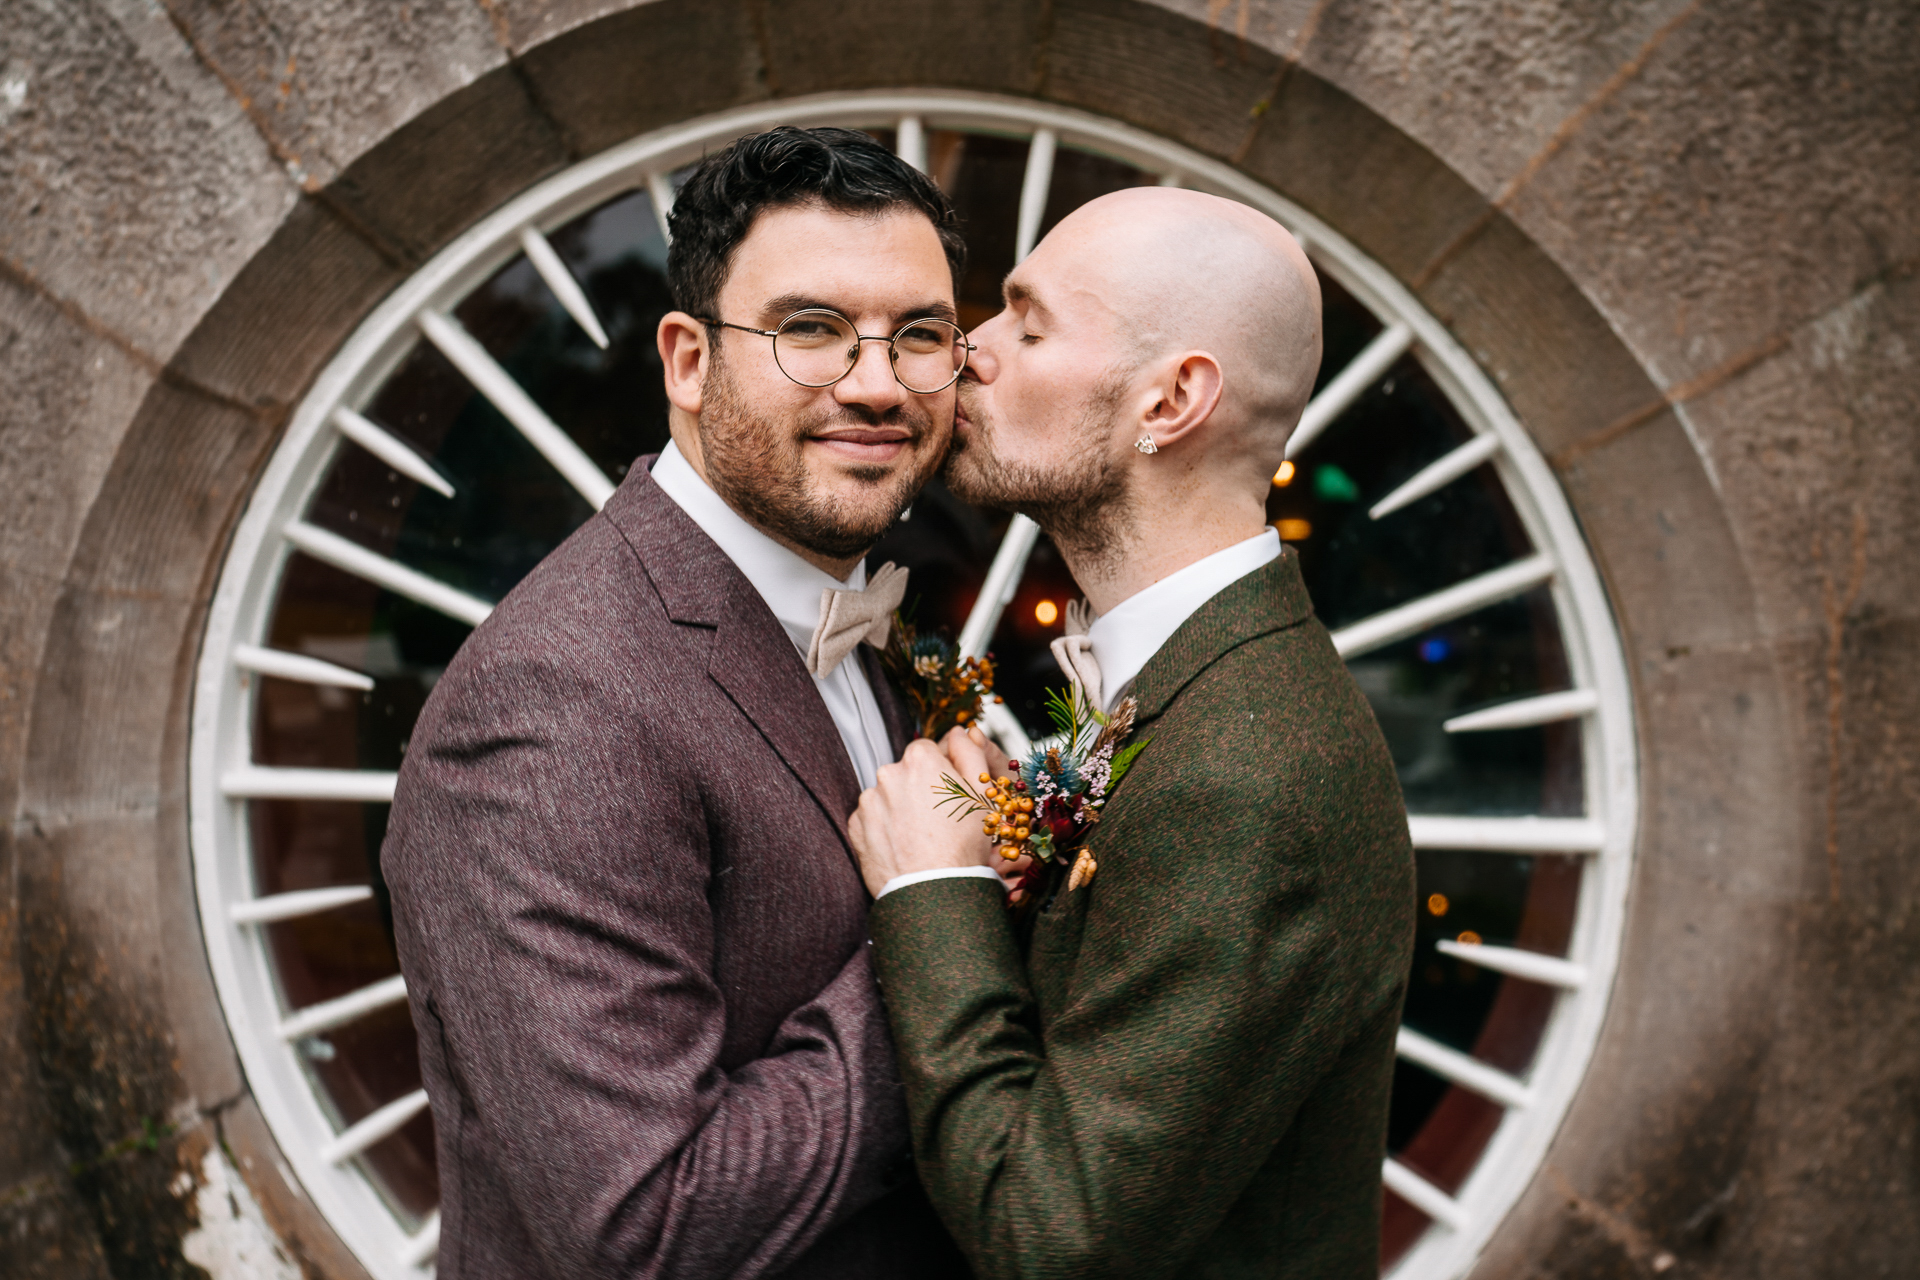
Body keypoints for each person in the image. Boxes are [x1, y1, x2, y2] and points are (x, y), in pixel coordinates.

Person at [382, 127, 974, 1279]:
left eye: (919, 336)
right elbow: (648, 1227)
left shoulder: (859, 612)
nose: (877, 382)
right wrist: (949, 924)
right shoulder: (554, 705)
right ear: (688, 360)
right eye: (810, 330)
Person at [847, 186, 1417, 1279]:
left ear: (1171, 400)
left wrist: (935, 895)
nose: (970, 349)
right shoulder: (1199, 680)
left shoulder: (1245, 776)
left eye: (1028, 321)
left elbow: (1048, 1235)